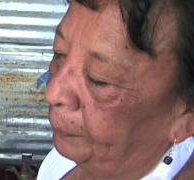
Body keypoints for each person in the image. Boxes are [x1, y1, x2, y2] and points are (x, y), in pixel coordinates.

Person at [37, 0, 194, 179]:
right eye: (59, 54)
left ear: (185, 118)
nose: (52, 93)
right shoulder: (65, 160)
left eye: (99, 80)